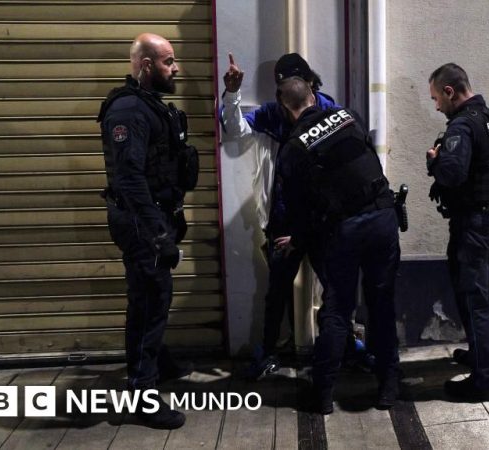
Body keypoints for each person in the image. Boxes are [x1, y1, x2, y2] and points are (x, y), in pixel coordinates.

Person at [274, 77, 401, 414]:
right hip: (382, 217)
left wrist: (298, 240)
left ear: (285, 108)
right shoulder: (348, 116)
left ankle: (323, 395)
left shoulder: (292, 148)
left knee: (338, 309)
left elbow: (299, 209)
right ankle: (388, 388)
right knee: (381, 304)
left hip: (345, 229)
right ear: (313, 97)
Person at [97, 33, 200, 429]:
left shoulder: (149, 105)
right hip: (142, 224)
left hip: (155, 219)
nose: (176, 69)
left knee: (156, 296)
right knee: (147, 303)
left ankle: (157, 361)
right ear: (145, 65)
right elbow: (129, 178)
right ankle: (142, 392)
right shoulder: (128, 111)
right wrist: (157, 232)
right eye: (168, 61)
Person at [221, 53, 342, 378]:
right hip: (283, 219)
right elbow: (234, 131)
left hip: (320, 220)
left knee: (334, 287)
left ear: (310, 85)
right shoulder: (273, 114)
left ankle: (339, 347)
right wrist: (232, 94)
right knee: (277, 291)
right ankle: (269, 351)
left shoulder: (330, 113)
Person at [426, 63, 489, 403]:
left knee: (475, 300)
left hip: (475, 224)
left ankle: (485, 381)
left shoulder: (462, 126)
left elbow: (451, 174)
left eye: (436, 98)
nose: (437, 106)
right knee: (484, 295)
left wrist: (434, 161)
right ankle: (481, 356)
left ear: (450, 91)